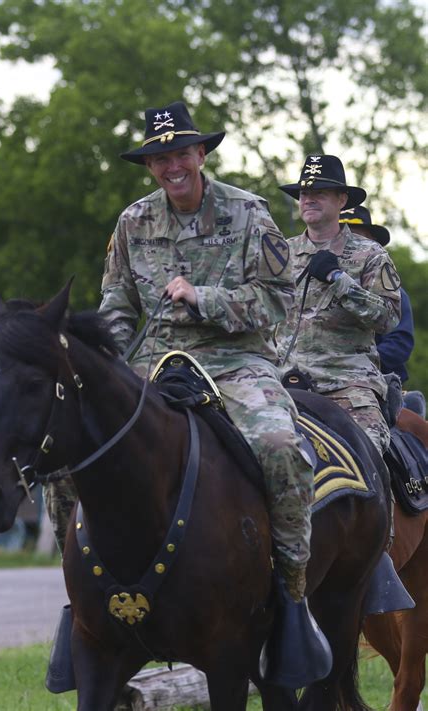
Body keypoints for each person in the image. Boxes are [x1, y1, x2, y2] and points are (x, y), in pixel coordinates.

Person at [98, 100, 314, 602]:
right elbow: (116, 303)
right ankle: (83, 601)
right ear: (150, 166)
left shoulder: (249, 214)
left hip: (234, 361)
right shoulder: (132, 222)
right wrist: (109, 361)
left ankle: (291, 586)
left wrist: (205, 299)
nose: (172, 167)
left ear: (200, 153)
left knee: (281, 449)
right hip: (151, 363)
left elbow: (278, 300)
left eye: (180, 154)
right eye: (160, 159)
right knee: (68, 453)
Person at [276, 155, 402, 456]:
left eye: (320, 192)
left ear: (342, 199)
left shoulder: (370, 255)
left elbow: (388, 318)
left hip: (346, 384)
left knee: (368, 457)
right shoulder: (281, 253)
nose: (309, 199)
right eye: (305, 193)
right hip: (280, 380)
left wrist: (339, 279)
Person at [339, 206, 425, 419]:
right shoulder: (311, 286)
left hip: (371, 384)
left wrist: (349, 363)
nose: (349, 243)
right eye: (342, 234)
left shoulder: (393, 293)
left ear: (372, 242)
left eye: (356, 235)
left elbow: (399, 345)